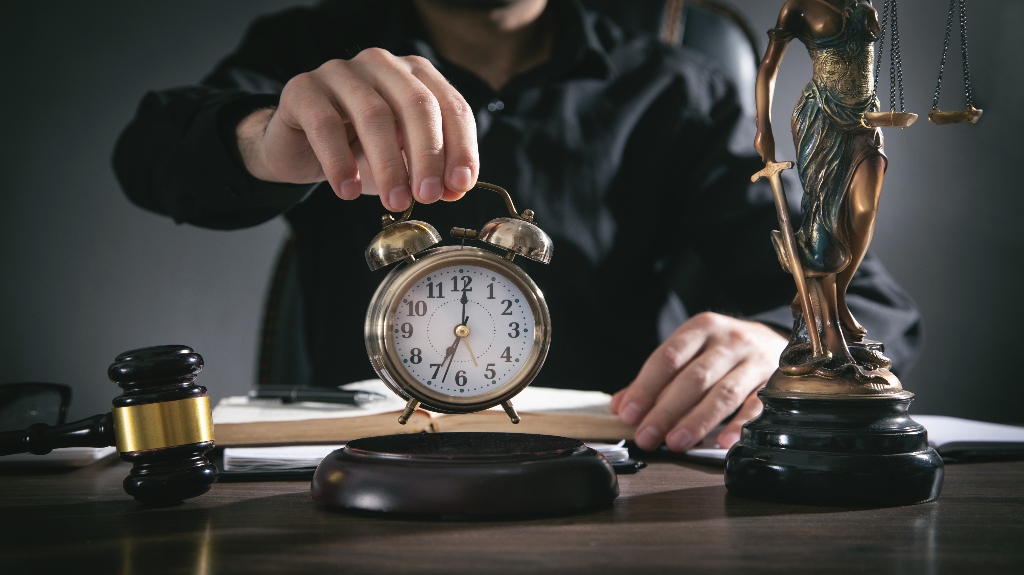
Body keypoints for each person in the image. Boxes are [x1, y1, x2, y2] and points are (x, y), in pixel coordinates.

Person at [113, 0, 920, 452]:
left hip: (613, 466)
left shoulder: (678, 88)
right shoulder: (308, 47)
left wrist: (777, 342)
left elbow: (866, 299)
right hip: (367, 465)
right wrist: (264, 137)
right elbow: (148, 151)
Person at [754, 0, 894, 378]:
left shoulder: (862, 2)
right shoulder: (798, 7)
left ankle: (827, 300)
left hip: (866, 116)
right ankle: (830, 330)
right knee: (825, 221)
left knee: (863, 213)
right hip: (822, 117)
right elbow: (768, 67)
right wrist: (763, 129)